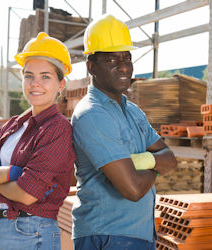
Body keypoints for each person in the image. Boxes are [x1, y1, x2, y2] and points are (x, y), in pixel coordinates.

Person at [71, 14, 177, 250]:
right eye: (111, 60)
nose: (123, 67)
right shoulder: (92, 114)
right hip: (107, 237)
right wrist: (155, 163)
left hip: (140, 234)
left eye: (126, 57)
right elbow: (133, 189)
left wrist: (142, 161)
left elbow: (171, 159)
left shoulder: (133, 111)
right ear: (91, 67)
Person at [0, 32, 76, 250]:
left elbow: (27, 194)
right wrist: (13, 173)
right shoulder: (13, 126)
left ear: (61, 84)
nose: (35, 83)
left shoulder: (57, 129)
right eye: (29, 75)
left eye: (45, 76)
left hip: (31, 233)